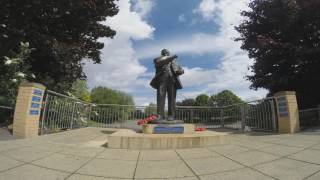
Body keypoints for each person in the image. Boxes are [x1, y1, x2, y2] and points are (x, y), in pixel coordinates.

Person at [150, 49, 184, 123]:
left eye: (166, 51)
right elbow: (160, 62)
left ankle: (171, 115)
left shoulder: (175, 62)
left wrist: (181, 71)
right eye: (164, 52)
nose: (165, 52)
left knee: (172, 98)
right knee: (160, 97)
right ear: (162, 53)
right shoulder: (157, 59)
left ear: (168, 53)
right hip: (161, 80)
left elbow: (180, 69)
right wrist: (171, 58)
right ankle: (160, 115)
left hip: (172, 80)